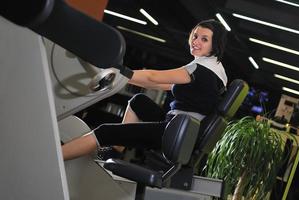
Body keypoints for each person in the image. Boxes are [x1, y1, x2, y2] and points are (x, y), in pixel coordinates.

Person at [62, 19, 228, 161]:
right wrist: (123, 77)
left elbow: (153, 77)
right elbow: (160, 84)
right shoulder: (217, 71)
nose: (196, 41)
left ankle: (53, 157)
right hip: (183, 129)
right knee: (138, 101)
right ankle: (116, 150)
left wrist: (121, 71)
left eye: (204, 39)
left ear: (214, 45)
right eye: (195, 35)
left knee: (105, 131)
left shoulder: (199, 69)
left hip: (173, 130)